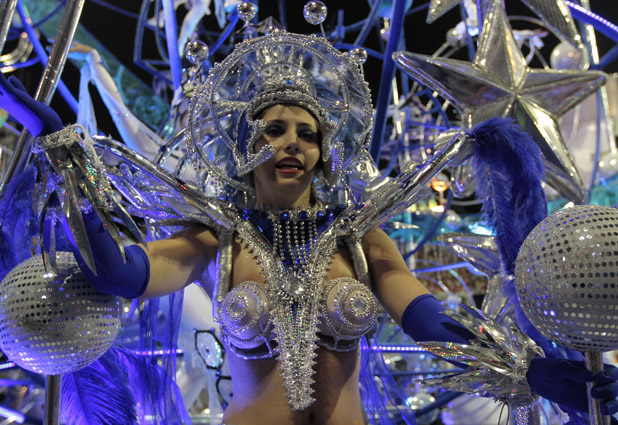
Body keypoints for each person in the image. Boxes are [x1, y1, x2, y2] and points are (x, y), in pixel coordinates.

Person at [1, 30, 618, 425]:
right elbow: (116, 273)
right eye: (274, 130)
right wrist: (58, 141)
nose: (292, 143)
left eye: (308, 133)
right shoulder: (214, 240)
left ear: (325, 153)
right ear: (246, 147)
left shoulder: (361, 240)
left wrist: (530, 370)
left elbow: (428, 319)